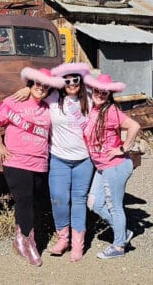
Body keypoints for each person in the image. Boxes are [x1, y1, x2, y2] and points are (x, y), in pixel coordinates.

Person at [12, 62, 93, 261]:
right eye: (67, 80)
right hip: (59, 158)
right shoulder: (53, 98)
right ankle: (63, 237)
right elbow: (37, 91)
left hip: (84, 159)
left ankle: (77, 244)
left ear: (81, 82)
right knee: (58, 199)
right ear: (61, 83)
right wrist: (25, 88)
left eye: (76, 80)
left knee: (79, 200)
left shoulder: (90, 100)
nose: (72, 84)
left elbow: (108, 107)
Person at [0, 67, 64, 267]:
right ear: (30, 83)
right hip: (17, 161)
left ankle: (21, 236)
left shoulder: (49, 106)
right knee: (24, 200)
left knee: (37, 201)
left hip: (40, 163)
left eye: (45, 86)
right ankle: (27, 243)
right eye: (37, 83)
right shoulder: (15, 101)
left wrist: (32, 89)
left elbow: (65, 93)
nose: (41, 88)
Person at [83, 73, 142, 259]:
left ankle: (118, 247)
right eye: (97, 90)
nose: (100, 94)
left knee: (114, 206)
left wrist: (123, 147)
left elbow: (134, 126)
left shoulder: (111, 111)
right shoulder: (93, 109)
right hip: (102, 167)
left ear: (110, 94)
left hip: (115, 165)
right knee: (94, 203)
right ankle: (123, 233)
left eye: (105, 92)